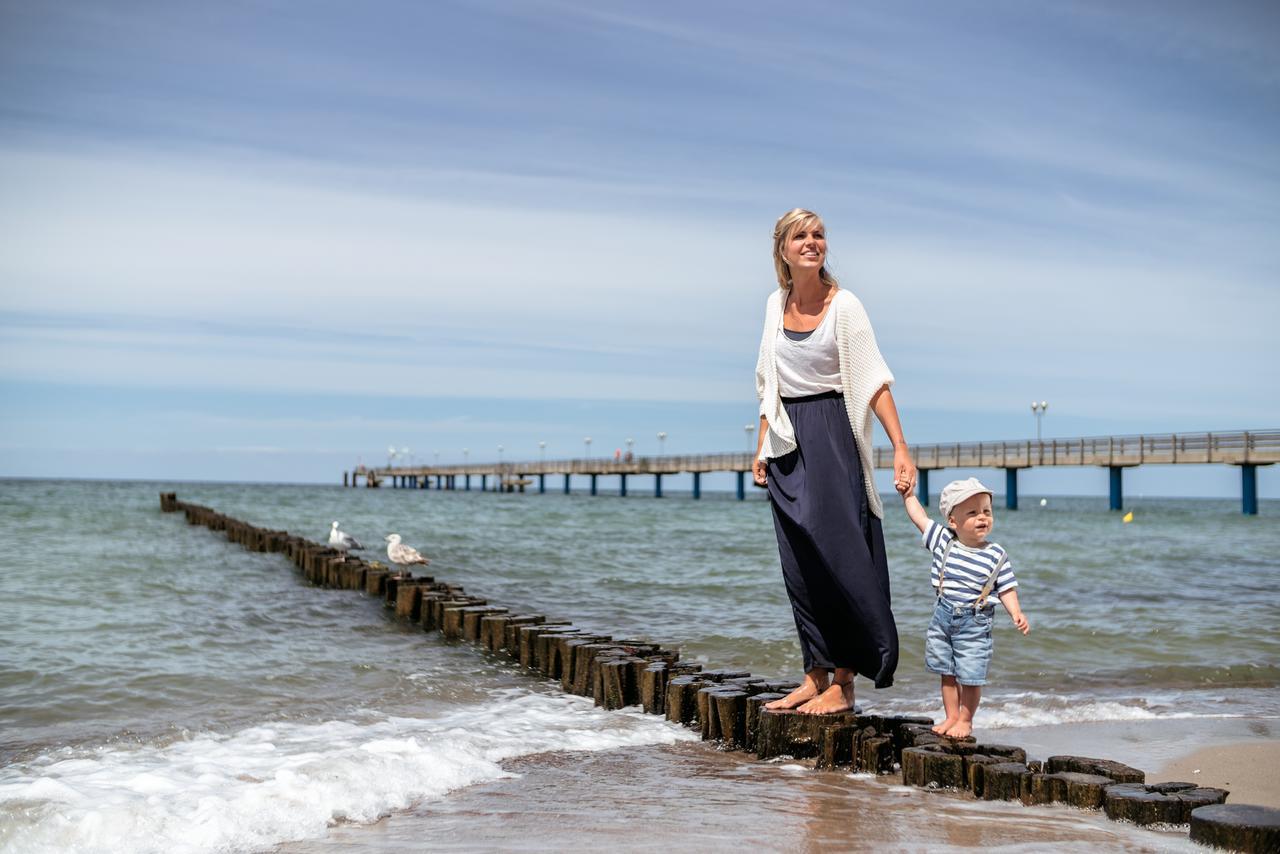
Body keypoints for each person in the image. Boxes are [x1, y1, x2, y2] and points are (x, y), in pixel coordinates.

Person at [753, 208, 916, 715]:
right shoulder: (773, 305)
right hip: (786, 444)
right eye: (800, 236)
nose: (812, 242)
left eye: (818, 234)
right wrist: (762, 446)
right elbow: (768, 384)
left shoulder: (845, 306)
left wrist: (901, 449)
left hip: (832, 435)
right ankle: (813, 674)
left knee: (842, 557)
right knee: (799, 564)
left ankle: (843, 686)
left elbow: (872, 381)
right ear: (783, 249)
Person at [899, 476, 1030, 738]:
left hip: (976, 622)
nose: (982, 517)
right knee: (946, 671)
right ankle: (952, 717)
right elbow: (920, 519)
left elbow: (1006, 587)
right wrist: (908, 495)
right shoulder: (943, 540)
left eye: (986, 511)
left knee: (971, 675)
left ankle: (966, 720)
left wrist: (1015, 612)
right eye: (972, 513)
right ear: (953, 521)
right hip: (942, 616)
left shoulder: (996, 554)